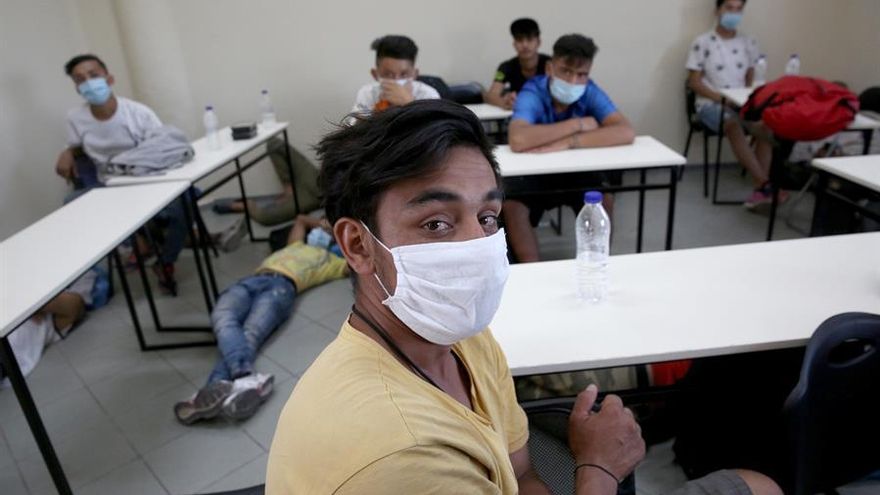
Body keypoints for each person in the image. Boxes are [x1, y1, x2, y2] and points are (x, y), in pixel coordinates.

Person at [265, 99, 782, 495]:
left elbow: (523, 475)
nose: (479, 246)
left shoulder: (460, 336)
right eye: (437, 223)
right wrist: (598, 469)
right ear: (357, 245)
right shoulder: (403, 455)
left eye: (489, 218)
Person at [173, 214, 348, 424]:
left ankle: (214, 386)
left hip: (283, 287)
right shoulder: (294, 246)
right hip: (252, 280)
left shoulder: (334, 261)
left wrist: (339, 235)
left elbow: (357, 261)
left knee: (250, 332)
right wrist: (327, 225)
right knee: (221, 317)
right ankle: (245, 378)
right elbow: (301, 220)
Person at [57, 54, 189, 293]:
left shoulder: (138, 113)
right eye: (80, 80)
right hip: (109, 187)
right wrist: (67, 152)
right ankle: (130, 248)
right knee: (70, 203)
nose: (88, 83)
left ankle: (165, 260)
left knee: (184, 203)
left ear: (109, 78)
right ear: (76, 88)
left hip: (147, 182)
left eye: (93, 75)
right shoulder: (75, 118)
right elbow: (76, 147)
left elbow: (163, 148)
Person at [504, 34, 635, 262]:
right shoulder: (533, 90)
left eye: (582, 74)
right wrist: (578, 125)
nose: (574, 81)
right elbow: (519, 139)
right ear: (549, 68)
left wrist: (569, 142)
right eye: (566, 71)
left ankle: (597, 264)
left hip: (577, 172)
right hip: (534, 174)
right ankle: (531, 271)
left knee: (604, 199)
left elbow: (625, 131)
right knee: (512, 204)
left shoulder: (591, 91)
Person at [686, 0, 787, 210]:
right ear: (718, 10)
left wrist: (748, 102)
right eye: (729, 8)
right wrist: (722, 99)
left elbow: (751, 78)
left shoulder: (748, 42)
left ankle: (761, 190)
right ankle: (764, 185)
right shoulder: (703, 42)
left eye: (738, 9)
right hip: (710, 105)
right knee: (732, 124)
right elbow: (694, 82)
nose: (734, 13)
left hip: (741, 105)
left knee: (766, 126)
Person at [351, 35, 439, 116]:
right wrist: (379, 110)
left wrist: (409, 104)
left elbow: (436, 130)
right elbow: (352, 129)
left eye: (404, 74)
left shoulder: (429, 95)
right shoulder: (367, 93)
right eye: (388, 74)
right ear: (375, 74)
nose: (396, 81)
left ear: (414, 74)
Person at [484, 18, 551, 110]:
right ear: (514, 44)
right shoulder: (506, 66)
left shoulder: (551, 64)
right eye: (519, 40)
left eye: (529, 39)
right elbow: (491, 95)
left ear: (538, 42)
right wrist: (504, 102)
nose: (525, 45)